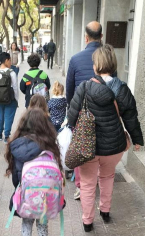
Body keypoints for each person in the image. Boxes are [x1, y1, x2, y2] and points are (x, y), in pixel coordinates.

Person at [67, 44, 144, 232]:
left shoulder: (85, 88)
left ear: (95, 66)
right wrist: (137, 140)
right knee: (108, 177)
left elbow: (71, 117)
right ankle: (106, 211)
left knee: (87, 184)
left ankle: (87, 222)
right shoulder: (122, 89)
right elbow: (131, 118)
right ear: (114, 65)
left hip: (88, 148)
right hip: (113, 146)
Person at [5, 108, 63, 236]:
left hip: (27, 195)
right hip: (46, 197)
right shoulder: (50, 144)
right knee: (42, 224)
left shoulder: (17, 145)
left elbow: (16, 177)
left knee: (26, 222)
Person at [66, 21, 103, 200]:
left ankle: (82, 185)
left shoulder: (75, 59)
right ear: (101, 37)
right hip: (104, 112)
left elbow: (70, 90)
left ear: (86, 37)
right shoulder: (108, 57)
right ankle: (98, 180)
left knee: (81, 147)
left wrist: (71, 113)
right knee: (100, 147)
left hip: (82, 112)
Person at [0, 52, 19, 143]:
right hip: (9, 99)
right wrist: (16, 99)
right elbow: (15, 87)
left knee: (0, 117)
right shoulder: (11, 73)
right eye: (10, 60)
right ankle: (6, 136)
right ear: (6, 60)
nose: (10, 62)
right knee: (8, 117)